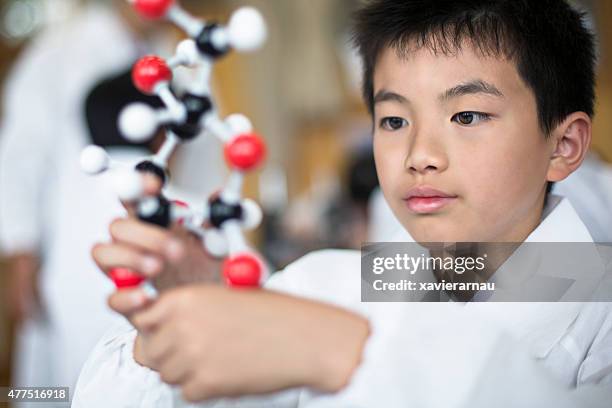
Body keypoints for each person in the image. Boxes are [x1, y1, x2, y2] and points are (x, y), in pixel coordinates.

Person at [73, 0, 612, 407]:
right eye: (394, 120)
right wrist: (174, 331)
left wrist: (344, 352)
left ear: (563, 147)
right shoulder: (329, 283)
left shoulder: (600, 316)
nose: (419, 155)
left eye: (467, 116)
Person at [0, 0, 223, 404]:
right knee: (63, 376)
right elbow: (22, 153)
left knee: (134, 367)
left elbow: (206, 154)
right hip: (70, 238)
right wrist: (21, 247)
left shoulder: (186, 59)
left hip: (155, 237)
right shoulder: (60, 51)